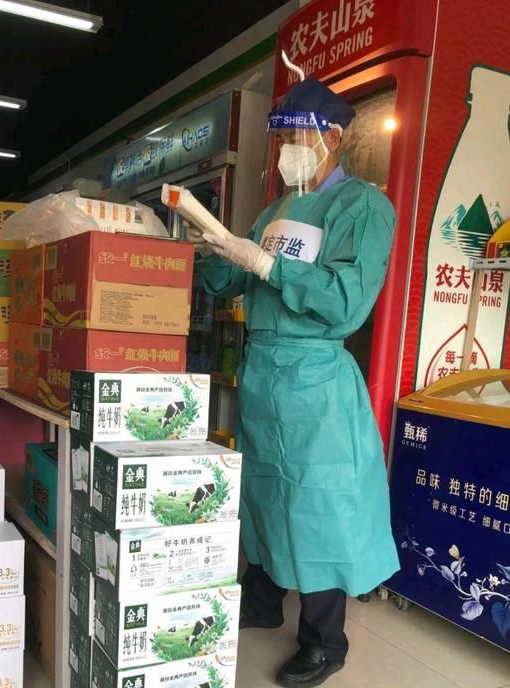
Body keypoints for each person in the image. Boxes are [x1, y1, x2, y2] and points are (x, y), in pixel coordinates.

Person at [190, 78, 400, 688]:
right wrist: (212, 250)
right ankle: (261, 602)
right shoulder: (276, 211)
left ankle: (324, 642)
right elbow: (234, 282)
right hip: (264, 375)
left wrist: (264, 262)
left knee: (316, 504)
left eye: (295, 137)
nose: (286, 150)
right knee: (263, 493)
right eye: (280, 138)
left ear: (332, 137)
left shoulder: (362, 207)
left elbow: (345, 300)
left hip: (315, 380)